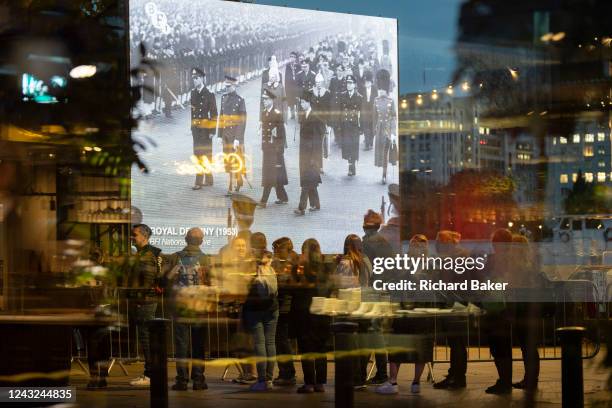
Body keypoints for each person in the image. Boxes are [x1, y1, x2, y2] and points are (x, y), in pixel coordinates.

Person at [376, 234, 434, 395]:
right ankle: (415, 383)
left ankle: (393, 382)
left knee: (397, 347)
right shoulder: (429, 265)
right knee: (420, 349)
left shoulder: (405, 263)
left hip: (406, 311)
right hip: (422, 313)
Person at [164, 227, 210, 391]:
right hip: (199, 307)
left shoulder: (175, 257)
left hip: (180, 307)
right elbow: (210, 283)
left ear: (185, 239)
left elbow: (166, 280)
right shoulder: (206, 259)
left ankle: (182, 380)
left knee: (181, 344)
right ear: (202, 241)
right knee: (198, 345)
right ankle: (198, 380)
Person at [292, 239, 331, 393]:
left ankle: (309, 383)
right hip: (322, 311)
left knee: (306, 347)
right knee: (320, 348)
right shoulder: (326, 267)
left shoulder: (301, 268)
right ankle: (320, 383)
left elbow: (294, 284)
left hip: (304, 312)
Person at [335, 234, 373, 390]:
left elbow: (341, 285)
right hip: (366, 304)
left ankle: (355, 378)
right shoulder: (367, 261)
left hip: (350, 305)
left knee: (352, 344)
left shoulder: (345, 263)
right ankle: (361, 377)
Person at [433, 230, 469, 390]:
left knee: (456, 343)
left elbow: (446, 283)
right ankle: (456, 374)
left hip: (453, 303)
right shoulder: (462, 254)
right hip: (462, 302)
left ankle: (457, 377)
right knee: (458, 342)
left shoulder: (451, 257)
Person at [241, 239, 279, 391]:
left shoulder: (250, 267)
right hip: (272, 308)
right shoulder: (272, 265)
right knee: (270, 343)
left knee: (260, 344)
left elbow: (243, 288)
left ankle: (262, 380)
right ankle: (269, 379)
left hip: (254, 309)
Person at [360, 210, 393, 385]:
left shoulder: (370, 242)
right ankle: (378, 372)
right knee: (375, 333)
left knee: (372, 333)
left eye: (366, 222)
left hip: (374, 292)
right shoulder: (382, 242)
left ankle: (369, 372)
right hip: (381, 292)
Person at [128, 224, 162, 387]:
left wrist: (140, 299)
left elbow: (148, 280)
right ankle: (150, 373)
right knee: (146, 338)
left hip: (145, 301)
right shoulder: (145, 253)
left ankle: (150, 375)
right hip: (146, 300)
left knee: (146, 338)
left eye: (134, 235)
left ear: (144, 236)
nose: (131, 237)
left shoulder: (147, 255)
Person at [482, 228, 514, 394]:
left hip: (496, 307)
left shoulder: (494, 260)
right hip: (506, 307)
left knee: (498, 347)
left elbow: (485, 277)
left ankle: (504, 381)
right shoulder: (514, 260)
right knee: (504, 347)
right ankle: (505, 380)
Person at [510, 234, 541, 393]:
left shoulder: (521, 266)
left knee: (527, 346)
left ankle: (530, 379)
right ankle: (530, 378)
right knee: (528, 346)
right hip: (528, 309)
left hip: (524, 310)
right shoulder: (529, 263)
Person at [271, 237, 299, 386]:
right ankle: (286, 372)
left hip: (285, 307)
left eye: (277, 248)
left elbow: (286, 284)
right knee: (281, 341)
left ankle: (287, 373)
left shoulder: (290, 263)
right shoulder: (290, 260)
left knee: (281, 341)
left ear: (284, 248)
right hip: (285, 306)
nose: (274, 252)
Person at [294, 92, 325, 215]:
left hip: (312, 156)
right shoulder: (304, 115)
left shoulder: (315, 117)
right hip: (304, 154)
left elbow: (318, 140)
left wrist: (314, 158)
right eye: (301, 102)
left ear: (308, 103)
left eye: (303, 102)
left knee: (306, 181)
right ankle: (315, 204)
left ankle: (301, 208)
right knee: (310, 180)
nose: (301, 104)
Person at [258, 89, 289, 208]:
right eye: (263, 100)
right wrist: (263, 146)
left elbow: (281, 134)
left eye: (266, 99)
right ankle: (283, 197)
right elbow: (264, 132)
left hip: (275, 149)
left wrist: (280, 150)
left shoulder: (277, 114)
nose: (264, 102)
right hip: (267, 148)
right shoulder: (264, 113)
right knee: (276, 174)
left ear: (271, 100)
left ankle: (263, 200)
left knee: (269, 174)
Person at [217, 75, 247, 195]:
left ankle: (236, 182)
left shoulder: (240, 100)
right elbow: (221, 116)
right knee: (228, 162)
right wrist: (219, 134)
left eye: (229, 86)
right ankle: (231, 184)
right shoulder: (223, 98)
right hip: (225, 135)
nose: (226, 88)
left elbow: (242, 121)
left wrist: (238, 139)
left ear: (234, 86)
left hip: (235, 136)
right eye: (226, 86)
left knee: (237, 160)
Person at [190, 68, 218, 189]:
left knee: (206, 154)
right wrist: (192, 126)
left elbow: (214, 114)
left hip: (206, 129)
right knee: (198, 154)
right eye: (193, 78)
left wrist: (212, 131)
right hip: (196, 129)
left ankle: (199, 181)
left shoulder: (209, 94)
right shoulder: (193, 93)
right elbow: (192, 112)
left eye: (196, 78)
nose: (194, 81)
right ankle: (209, 179)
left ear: (202, 78)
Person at [373, 69, 397, 185]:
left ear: (386, 89)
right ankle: (383, 172)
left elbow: (393, 117)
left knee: (386, 152)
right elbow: (374, 116)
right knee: (381, 153)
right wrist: (374, 129)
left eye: (382, 90)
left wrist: (393, 133)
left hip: (387, 130)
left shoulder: (391, 101)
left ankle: (384, 174)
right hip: (379, 131)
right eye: (379, 89)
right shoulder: (376, 101)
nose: (380, 91)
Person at [339, 75, 363, 176]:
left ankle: (352, 165)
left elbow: (362, 113)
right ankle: (350, 166)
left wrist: (361, 127)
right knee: (347, 145)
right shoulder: (342, 95)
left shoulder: (359, 97)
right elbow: (340, 111)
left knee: (354, 145)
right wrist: (339, 125)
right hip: (345, 124)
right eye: (347, 83)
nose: (348, 85)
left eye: (351, 83)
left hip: (354, 125)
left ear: (354, 85)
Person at [360, 71, 377, 151]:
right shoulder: (362, 89)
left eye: (368, 82)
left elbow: (376, 101)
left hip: (373, 112)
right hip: (365, 112)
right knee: (366, 128)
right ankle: (367, 144)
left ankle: (371, 142)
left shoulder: (375, 89)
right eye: (365, 82)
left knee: (372, 128)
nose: (366, 83)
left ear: (371, 82)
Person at [284, 51, 301, 120]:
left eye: (294, 57)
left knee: (297, 100)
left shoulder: (298, 65)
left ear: (296, 58)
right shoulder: (288, 66)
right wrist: (286, 87)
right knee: (290, 101)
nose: (292, 58)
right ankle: (292, 114)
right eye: (291, 57)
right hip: (290, 87)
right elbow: (286, 77)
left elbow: (299, 76)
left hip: (296, 86)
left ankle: (298, 113)